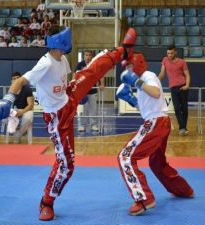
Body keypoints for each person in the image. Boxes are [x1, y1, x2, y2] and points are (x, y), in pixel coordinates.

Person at [0, 25, 136, 221]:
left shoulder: (62, 58)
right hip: (58, 118)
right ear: (61, 41)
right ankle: (46, 202)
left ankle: (123, 50)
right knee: (66, 165)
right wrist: (7, 100)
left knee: (90, 72)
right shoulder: (45, 63)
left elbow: (66, 79)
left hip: (68, 97)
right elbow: (20, 82)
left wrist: (77, 94)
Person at [116, 52, 194, 216]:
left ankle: (144, 199)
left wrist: (137, 82)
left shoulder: (147, 76)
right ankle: (183, 190)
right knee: (157, 163)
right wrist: (130, 99)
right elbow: (146, 108)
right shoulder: (142, 80)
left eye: (130, 66)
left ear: (137, 64)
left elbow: (156, 93)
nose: (128, 71)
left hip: (156, 123)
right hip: (159, 122)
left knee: (125, 156)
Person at [158, 44, 191, 136]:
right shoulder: (165, 60)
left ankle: (183, 128)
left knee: (184, 108)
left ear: (175, 52)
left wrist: (187, 85)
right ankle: (182, 128)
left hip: (183, 87)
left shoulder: (182, 62)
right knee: (176, 108)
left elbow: (187, 75)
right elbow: (162, 73)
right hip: (173, 88)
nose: (170, 55)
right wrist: (155, 81)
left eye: (171, 53)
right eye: (168, 53)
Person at [75, 50, 104, 132]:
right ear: (84, 56)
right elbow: (75, 75)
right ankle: (82, 125)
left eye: (89, 55)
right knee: (83, 109)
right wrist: (74, 84)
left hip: (93, 90)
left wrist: (101, 83)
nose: (88, 57)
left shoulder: (95, 64)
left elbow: (100, 75)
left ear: (91, 57)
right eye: (86, 55)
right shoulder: (80, 65)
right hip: (82, 91)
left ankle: (93, 125)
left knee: (93, 109)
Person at [10, 72, 34, 144]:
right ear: (11, 81)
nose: (16, 80)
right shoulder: (11, 90)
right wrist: (13, 111)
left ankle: (19, 134)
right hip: (15, 110)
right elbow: (8, 104)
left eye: (18, 78)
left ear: (21, 79)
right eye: (14, 79)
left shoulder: (27, 89)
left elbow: (30, 105)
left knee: (28, 117)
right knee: (5, 117)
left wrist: (22, 111)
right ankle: (16, 131)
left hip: (26, 110)